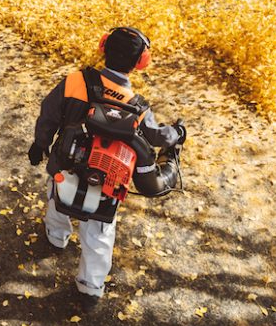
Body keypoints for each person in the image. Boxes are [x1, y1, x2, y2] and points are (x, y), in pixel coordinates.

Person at [27, 26, 186, 310]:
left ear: (103, 47)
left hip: (65, 167)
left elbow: (48, 113)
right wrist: (176, 133)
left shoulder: (76, 81)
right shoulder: (138, 107)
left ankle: (56, 236)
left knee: (57, 200)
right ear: (141, 63)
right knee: (99, 233)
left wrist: (40, 144)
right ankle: (89, 287)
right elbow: (156, 136)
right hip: (106, 184)